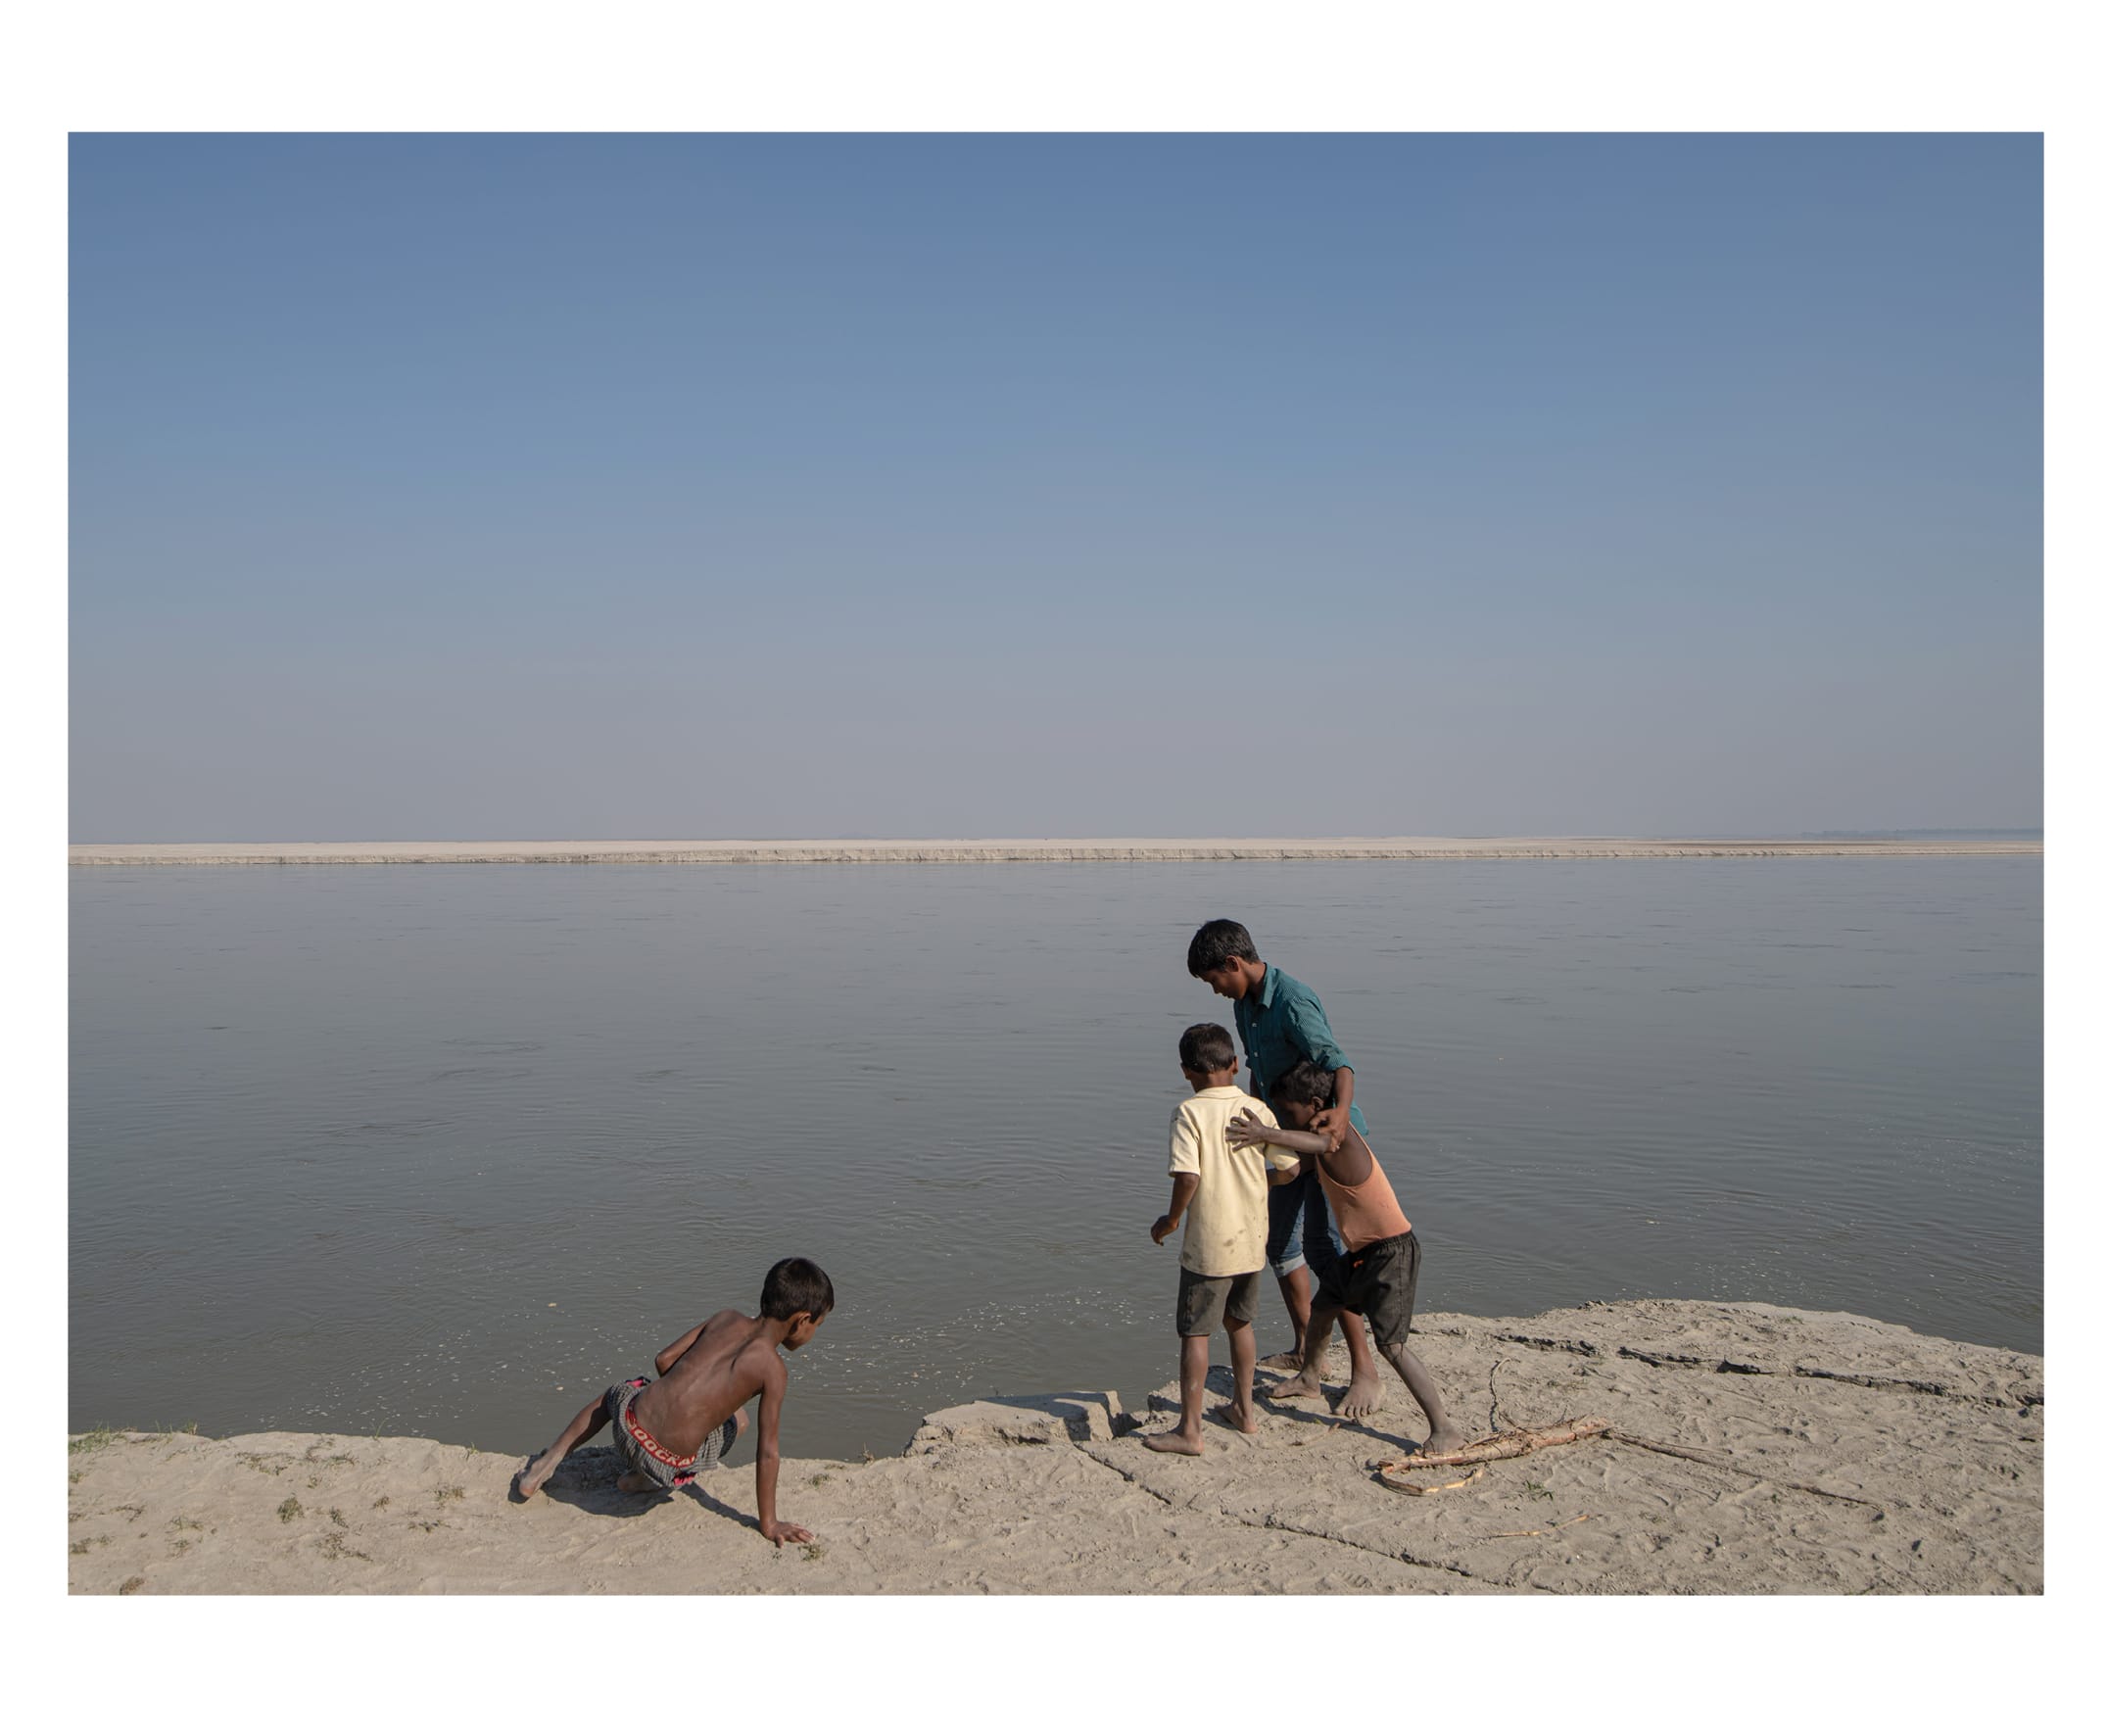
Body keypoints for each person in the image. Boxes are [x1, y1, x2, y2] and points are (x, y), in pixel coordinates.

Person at [1186, 918, 1382, 1408]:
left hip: (1322, 1137)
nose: (1216, 991)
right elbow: (1259, 1071)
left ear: (1234, 964)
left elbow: (1339, 1063)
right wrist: (1251, 1119)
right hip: (1279, 1134)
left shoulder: (1292, 1001)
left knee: (1327, 1249)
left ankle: (1366, 1369)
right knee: (1277, 1242)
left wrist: (1337, 1119)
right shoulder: (1245, 1004)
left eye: (1215, 980)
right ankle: (1307, 1351)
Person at [510, 1256, 833, 1546]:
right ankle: (641, 1481)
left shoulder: (726, 1317)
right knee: (740, 1422)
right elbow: (768, 1451)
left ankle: (543, 1466)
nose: (813, 1333)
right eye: (817, 1325)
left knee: (620, 1390)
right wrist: (770, 1523)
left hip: (627, 1426)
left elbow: (664, 1360)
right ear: (801, 1320)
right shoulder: (773, 1370)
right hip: (665, 1465)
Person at [1228, 1060, 1466, 1451]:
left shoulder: (1336, 1134)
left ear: (1318, 1104)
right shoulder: (1318, 1136)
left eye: (1289, 1113)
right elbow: (1293, 1165)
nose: (1286, 1121)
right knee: (1324, 1307)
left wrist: (1265, 1132)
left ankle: (1443, 1427)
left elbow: (1319, 1145)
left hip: (1392, 1253)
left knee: (1392, 1346)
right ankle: (1309, 1377)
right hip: (1361, 1253)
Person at [1144, 1022, 1301, 1456]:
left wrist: (1172, 1219)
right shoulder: (1257, 1111)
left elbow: (1189, 1175)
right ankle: (1245, 1412)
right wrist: (1254, 1181)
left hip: (1208, 1244)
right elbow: (1289, 1170)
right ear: (1234, 1064)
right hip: (1251, 1238)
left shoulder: (1189, 1113)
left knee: (1195, 1333)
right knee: (1241, 1323)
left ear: (1186, 1071)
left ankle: (1190, 1431)